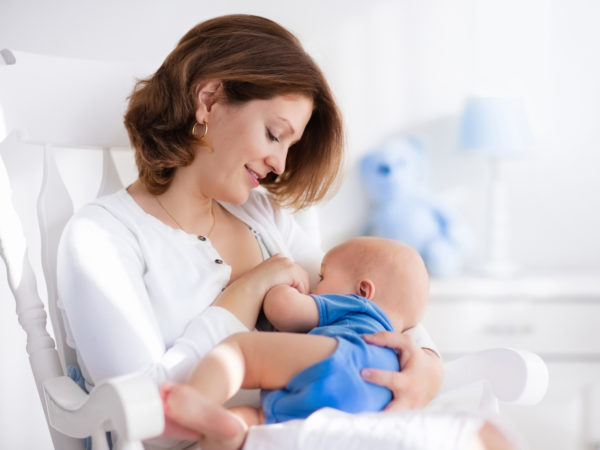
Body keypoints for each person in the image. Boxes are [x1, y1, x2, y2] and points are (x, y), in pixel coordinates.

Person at [57, 14, 444, 445]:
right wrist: (245, 294)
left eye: (290, 146)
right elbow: (142, 414)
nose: (280, 165)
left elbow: (365, 300)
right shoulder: (102, 237)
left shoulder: (264, 216)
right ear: (208, 100)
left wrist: (427, 364)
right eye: (274, 134)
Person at [161, 236, 430, 449]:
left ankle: (195, 403)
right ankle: (232, 429)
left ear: (363, 290)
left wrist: (284, 286)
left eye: (322, 277)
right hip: (372, 404)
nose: (315, 285)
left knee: (241, 351)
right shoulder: (399, 349)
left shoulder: (357, 306)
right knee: (261, 421)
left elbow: (282, 309)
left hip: (343, 358)